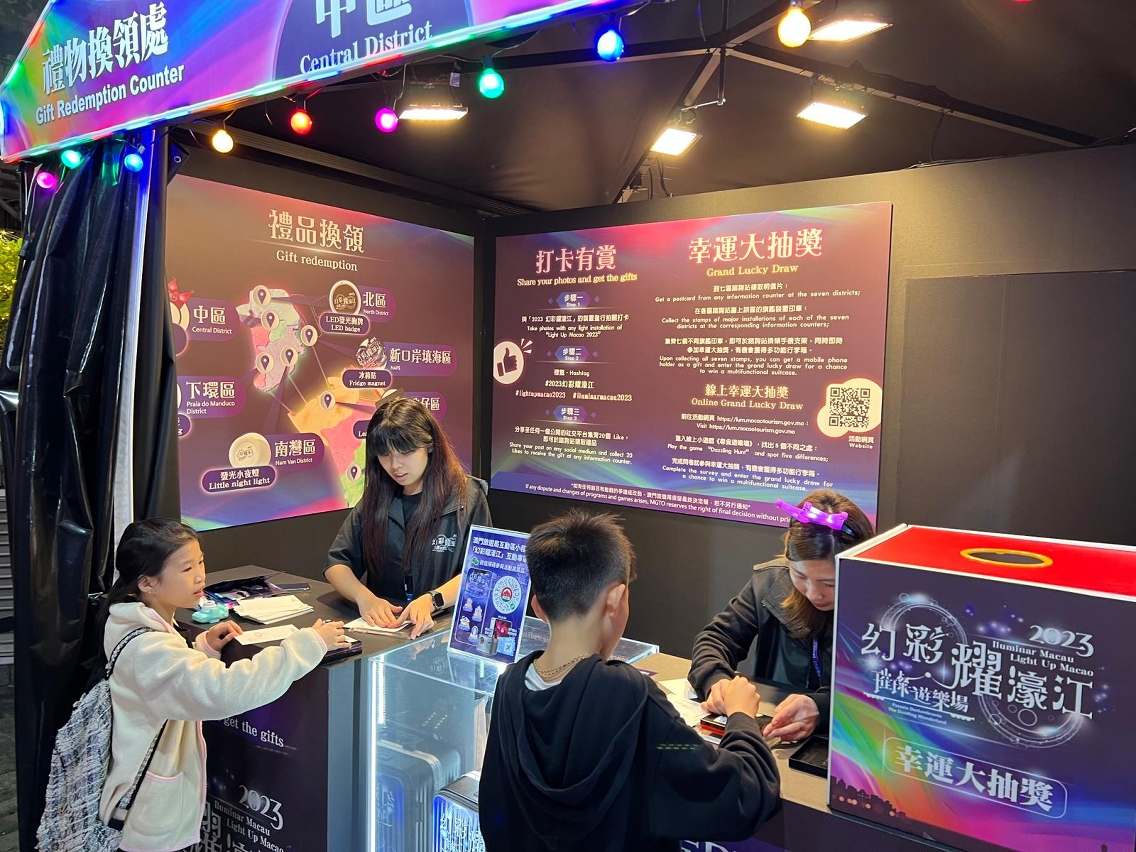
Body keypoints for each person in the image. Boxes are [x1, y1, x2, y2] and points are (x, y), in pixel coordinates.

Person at [480, 510, 779, 851]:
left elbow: (494, 813)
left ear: (538, 607)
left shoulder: (509, 686)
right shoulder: (629, 696)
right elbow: (742, 797)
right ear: (616, 599)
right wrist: (742, 717)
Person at [99, 518, 348, 852]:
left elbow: (171, 683)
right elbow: (225, 691)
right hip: (147, 819)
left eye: (200, 562)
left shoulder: (137, 624)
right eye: (186, 568)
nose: (200, 576)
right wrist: (309, 645)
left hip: (148, 806)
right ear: (148, 582)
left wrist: (201, 649)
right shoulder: (147, 648)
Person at [688, 489, 874, 743]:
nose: (813, 593)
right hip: (774, 729)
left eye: (829, 583)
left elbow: (885, 692)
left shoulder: (883, 607)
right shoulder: (770, 582)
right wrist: (716, 680)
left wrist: (822, 708)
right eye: (800, 576)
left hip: (849, 742)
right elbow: (716, 638)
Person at [324, 395, 491, 638]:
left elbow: (482, 570)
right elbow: (337, 564)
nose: (395, 465)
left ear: (429, 445)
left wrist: (433, 600)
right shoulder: (376, 498)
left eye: (406, 452)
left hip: (445, 629)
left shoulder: (468, 497)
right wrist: (365, 598)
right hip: (386, 630)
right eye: (385, 454)